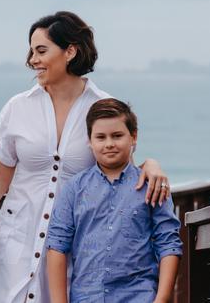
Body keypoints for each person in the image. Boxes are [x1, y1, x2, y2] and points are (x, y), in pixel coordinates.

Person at [0, 11, 170, 302]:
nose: (32, 59)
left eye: (41, 50)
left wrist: (151, 164)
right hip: (17, 241)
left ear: (70, 51)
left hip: (75, 248)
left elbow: (118, 171)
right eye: (31, 51)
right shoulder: (17, 107)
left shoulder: (102, 106)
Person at [46, 98, 182, 302]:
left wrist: (161, 300)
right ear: (89, 141)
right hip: (87, 297)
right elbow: (57, 246)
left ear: (133, 137)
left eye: (117, 136)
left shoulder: (151, 186)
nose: (109, 144)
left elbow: (169, 243)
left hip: (140, 296)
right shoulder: (74, 189)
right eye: (100, 137)